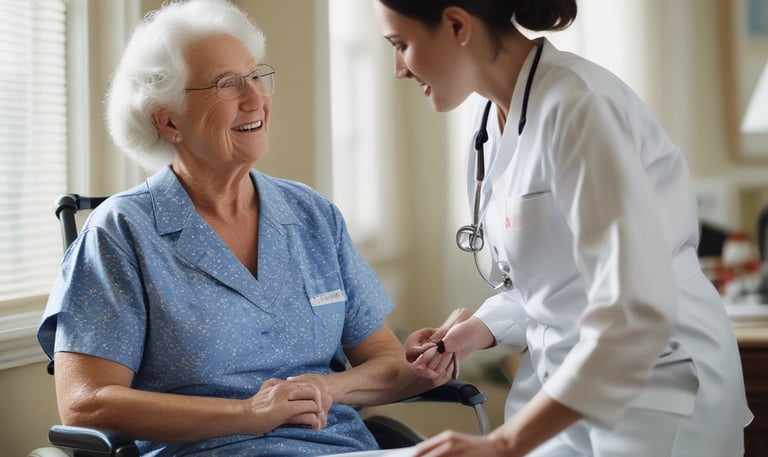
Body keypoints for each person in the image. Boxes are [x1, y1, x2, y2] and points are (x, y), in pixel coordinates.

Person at [37, 1, 453, 455]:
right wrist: (249, 414)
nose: (255, 99)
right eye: (226, 85)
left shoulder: (313, 215)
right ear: (168, 119)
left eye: (255, 76)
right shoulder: (121, 233)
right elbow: (85, 404)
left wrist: (329, 388)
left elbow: (387, 365)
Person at [373, 1, 752, 456]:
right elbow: (551, 280)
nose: (398, 69)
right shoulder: (489, 120)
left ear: (457, 25)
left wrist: (503, 443)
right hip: (565, 383)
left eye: (402, 45)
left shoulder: (580, 106)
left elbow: (635, 309)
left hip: (657, 383)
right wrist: (480, 327)